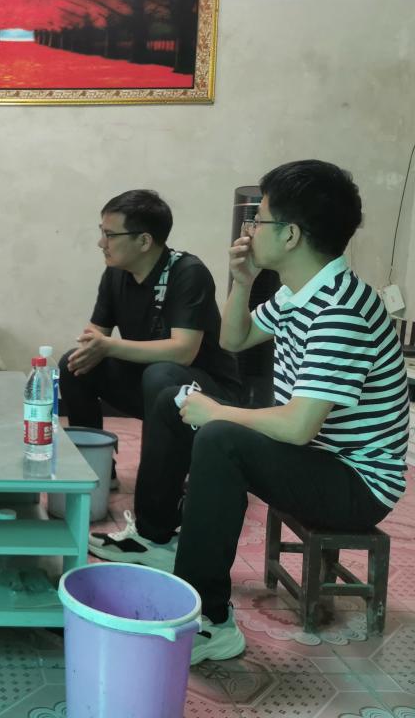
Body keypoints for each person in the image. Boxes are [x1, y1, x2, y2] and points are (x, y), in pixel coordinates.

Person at [89, 161, 409, 665]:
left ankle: (211, 621)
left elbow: (298, 427)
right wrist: (242, 280)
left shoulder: (340, 311)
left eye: (258, 220)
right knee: (173, 391)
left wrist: (216, 412)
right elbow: (235, 339)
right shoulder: (300, 292)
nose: (249, 230)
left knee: (221, 438)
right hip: (319, 455)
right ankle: (156, 537)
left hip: (357, 483)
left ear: (290, 235)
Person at [58, 189, 242, 486]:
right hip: (150, 381)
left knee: (161, 373)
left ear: (144, 241)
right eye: (101, 232)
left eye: (110, 235)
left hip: (206, 390)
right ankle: (96, 472)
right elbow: (95, 337)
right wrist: (92, 346)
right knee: (74, 364)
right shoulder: (115, 273)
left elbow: (183, 352)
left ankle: (156, 491)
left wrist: (109, 346)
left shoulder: (188, 273)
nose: (101, 243)